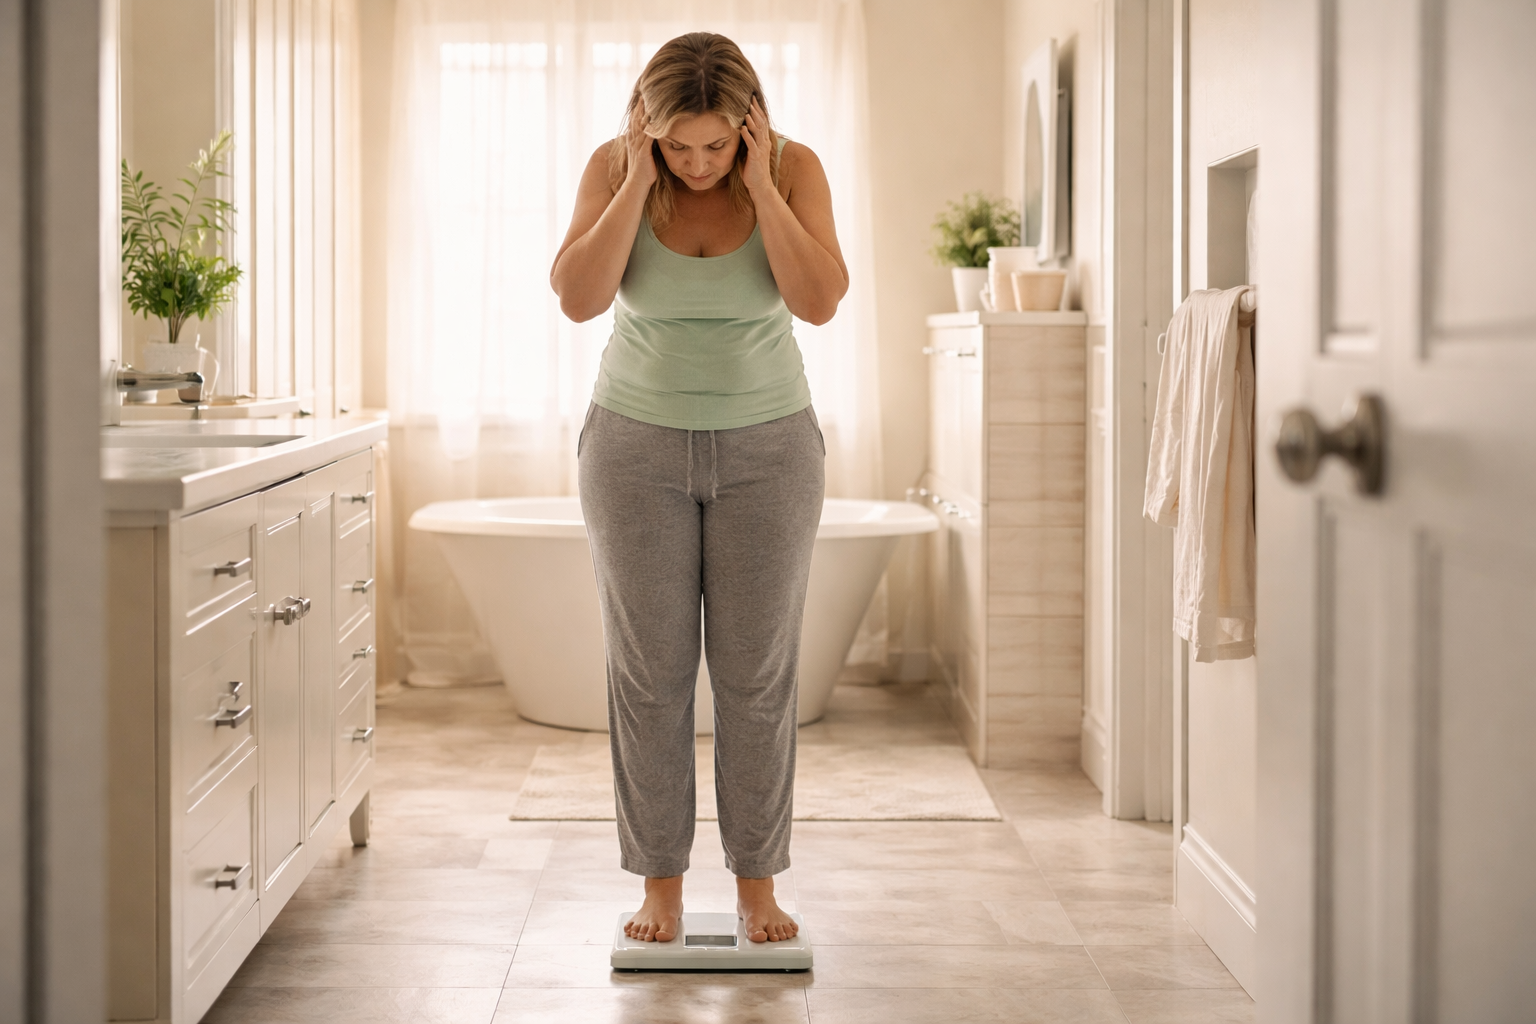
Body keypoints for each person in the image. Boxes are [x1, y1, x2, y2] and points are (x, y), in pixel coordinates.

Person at [550, 31, 848, 945]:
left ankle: (758, 885)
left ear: (750, 125)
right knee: (651, 677)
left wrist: (763, 187)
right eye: (678, 145)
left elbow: (820, 301)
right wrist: (636, 184)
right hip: (634, 449)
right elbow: (577, 297)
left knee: (757, 677)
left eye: (716, 145)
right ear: (647, 128)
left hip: (771, 449)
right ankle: (661, 887)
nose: (698, 163)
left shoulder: (793, 169)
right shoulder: (615, 169)